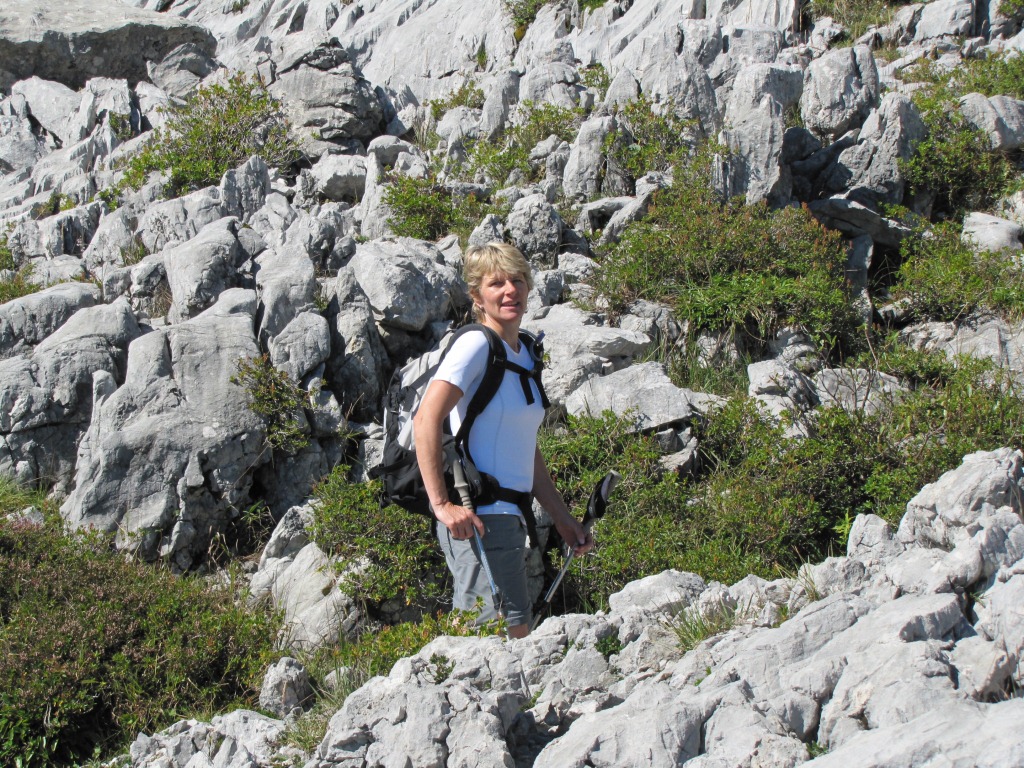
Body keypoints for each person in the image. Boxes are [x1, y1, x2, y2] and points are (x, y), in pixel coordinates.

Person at [413, 242, 593, 638]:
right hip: (477, 517)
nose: (510, 290)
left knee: (510, 635)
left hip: (509, 519)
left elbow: (524, 449)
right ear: (477, 296)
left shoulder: (525, 352)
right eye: (496, 283)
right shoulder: (476, 344)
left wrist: (563, 520)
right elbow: (425, 419)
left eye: (517, 280)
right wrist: (441, 505)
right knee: (492, 637)